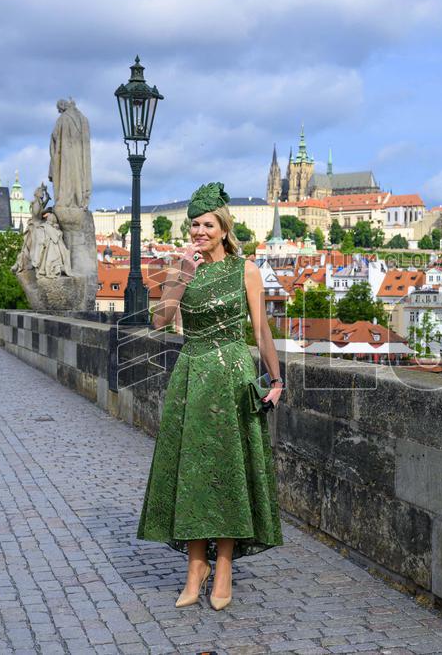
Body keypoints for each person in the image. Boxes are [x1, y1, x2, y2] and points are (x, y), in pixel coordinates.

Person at [136, 182, 284, 611]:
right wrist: (180, 275)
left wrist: (276, 379)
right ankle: (194, 566)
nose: (199, 231)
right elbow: (161, 323)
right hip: (192, 375)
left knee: (229, 471)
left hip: (234, 376)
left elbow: (260, 330)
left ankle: (223, 567)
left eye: (207, 224)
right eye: (194, 224)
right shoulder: (184, 267)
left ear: (223, 228)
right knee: (193, 472)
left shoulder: (246, 270)